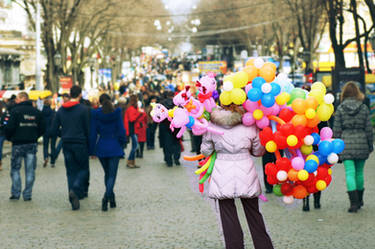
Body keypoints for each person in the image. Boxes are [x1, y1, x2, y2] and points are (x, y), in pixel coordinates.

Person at [200, 104, 273, 249]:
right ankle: (264, 246)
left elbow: (206, 151)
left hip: (222, 173)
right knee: (254, 214)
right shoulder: (250, 123)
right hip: (246, 172)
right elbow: (258, 151)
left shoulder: (212, 124)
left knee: (228, 217)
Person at [333, 81, 373, 213]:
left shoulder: (340, 109)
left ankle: (353, 203)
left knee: (349, 173)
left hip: (346, 144)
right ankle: (360, 199)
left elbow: (337, 130)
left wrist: (336, 148)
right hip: (361, 143)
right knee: (360, 172)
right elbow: (368, 129)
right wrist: (370, 144)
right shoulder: (363, 108)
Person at [51, 85, 90, 210]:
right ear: (79, 95)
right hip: (80, 143)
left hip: (67, 143)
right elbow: (88, 129)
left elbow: (53, 129)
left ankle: (72, 194)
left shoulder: (61, 110)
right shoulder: (84, 110)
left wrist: (62, 135)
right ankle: (76, 188)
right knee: (83, 169)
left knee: (70, 171)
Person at [5, 92, 45, 201]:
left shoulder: (14, 111)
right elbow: (43, 128)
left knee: (15, 169)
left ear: (23, 98)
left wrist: (10, 138)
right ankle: (27, 194)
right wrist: (35, 136)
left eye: (17, 98)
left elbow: (9, 128)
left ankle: (16, 193)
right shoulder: (37, 112)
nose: (16, 101)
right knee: (30, 170)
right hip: (31, 143)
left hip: (17, 144)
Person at [89, 93, 126, 211]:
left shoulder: (96, 115)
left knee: (107, 174)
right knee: (112, 175)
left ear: (100, 102)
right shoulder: (116, 114)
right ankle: (106, 197)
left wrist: (91, 149)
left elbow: (93, 133)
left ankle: (112, 197)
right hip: (114, 147)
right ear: (110, 101)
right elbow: (121, 130)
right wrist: (123, 143)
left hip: (101, 147)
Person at [124, 95, 142, 168]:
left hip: (134, 129)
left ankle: (132, 162)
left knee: (134, 146)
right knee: (135, 146)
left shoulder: (132, 108)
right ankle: (129, 161)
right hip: (132, 130)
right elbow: (132, 119)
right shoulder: (131, 109)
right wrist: (138, 113)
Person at [41, 99, 56, 167]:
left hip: (45, 130)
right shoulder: (53, 112)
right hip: (53, 130)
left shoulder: (42, 112)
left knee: (45, 146)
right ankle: (52, 161)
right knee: (53, 146)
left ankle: (45, 158)